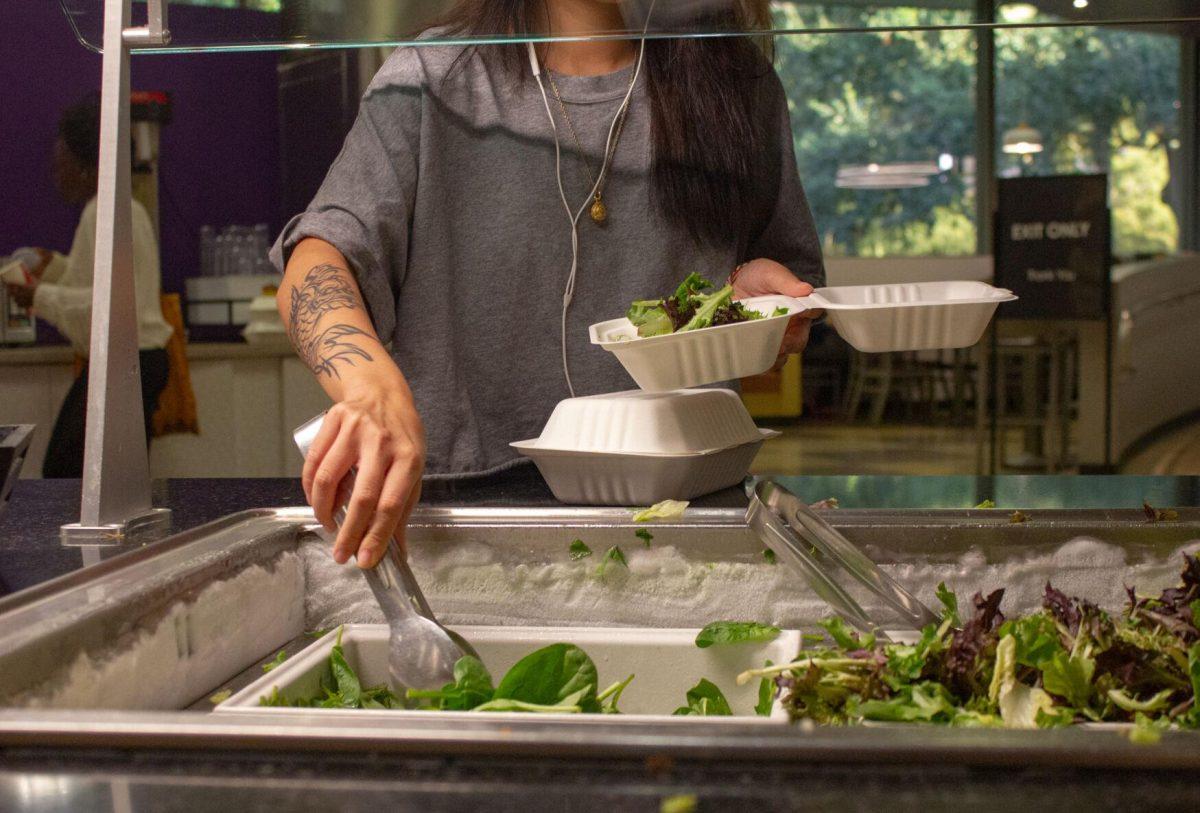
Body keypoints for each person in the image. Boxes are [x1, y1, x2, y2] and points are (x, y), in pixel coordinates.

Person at [272, 0, 825, 569]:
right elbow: (319, 257)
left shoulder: (739, 83)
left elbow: (775, 273)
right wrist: (370, 390)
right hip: (463, 515)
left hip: (689, 508)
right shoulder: (433, 77)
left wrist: (751, 303)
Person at [5, 96, 173, 478]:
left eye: (60, 163)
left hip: (122, 362)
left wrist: (37, 295)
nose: (55, 174)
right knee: (108, 476)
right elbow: (104, 283)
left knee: (68, 475)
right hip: (140, 361)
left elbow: (107, 306)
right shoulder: (127, 210)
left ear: (85, 167)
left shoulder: (101, 212)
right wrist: (55, 268)